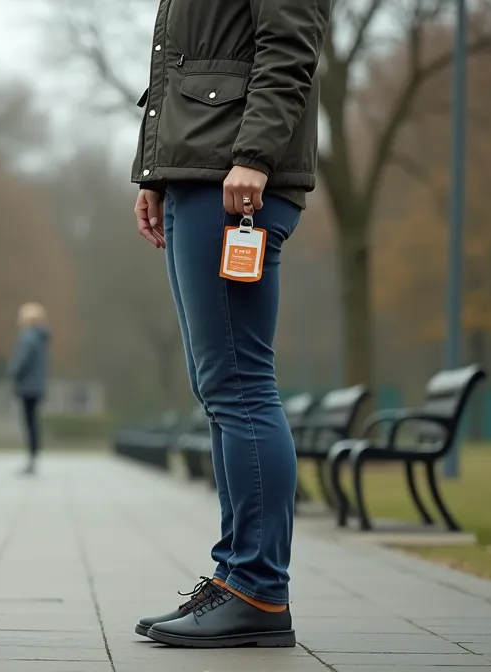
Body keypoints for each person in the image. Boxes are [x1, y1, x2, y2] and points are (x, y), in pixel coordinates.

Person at [129, 0, 330, 650]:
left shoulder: (245, 163)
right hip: (199, 172)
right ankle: (234, 579)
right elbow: (181, 59)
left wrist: (255, 155)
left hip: (234, 178)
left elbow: (289, 47)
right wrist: (157, 173)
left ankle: (258, 589)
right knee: (221, 388)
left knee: (241, 387)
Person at [8, 303, 50, 475]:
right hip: (37, 386)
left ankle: (32, 460)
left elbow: (21, 362)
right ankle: (33, 458)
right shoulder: (41, 337)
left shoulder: (28, 337)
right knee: (33, 422)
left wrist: (13, 373)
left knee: (29, 423)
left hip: (27, 387)